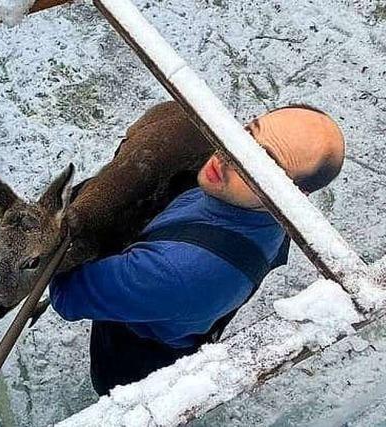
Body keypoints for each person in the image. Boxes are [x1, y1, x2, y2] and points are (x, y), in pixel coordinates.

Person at [49, 105, 345, 396]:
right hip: (180, 309)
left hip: (131, 359)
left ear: (293, 194)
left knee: (118, 395)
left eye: (262, 162)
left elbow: (67, 296)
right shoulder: (269, 212)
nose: (228, 155)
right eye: (246, 134)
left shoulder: (176, 272)